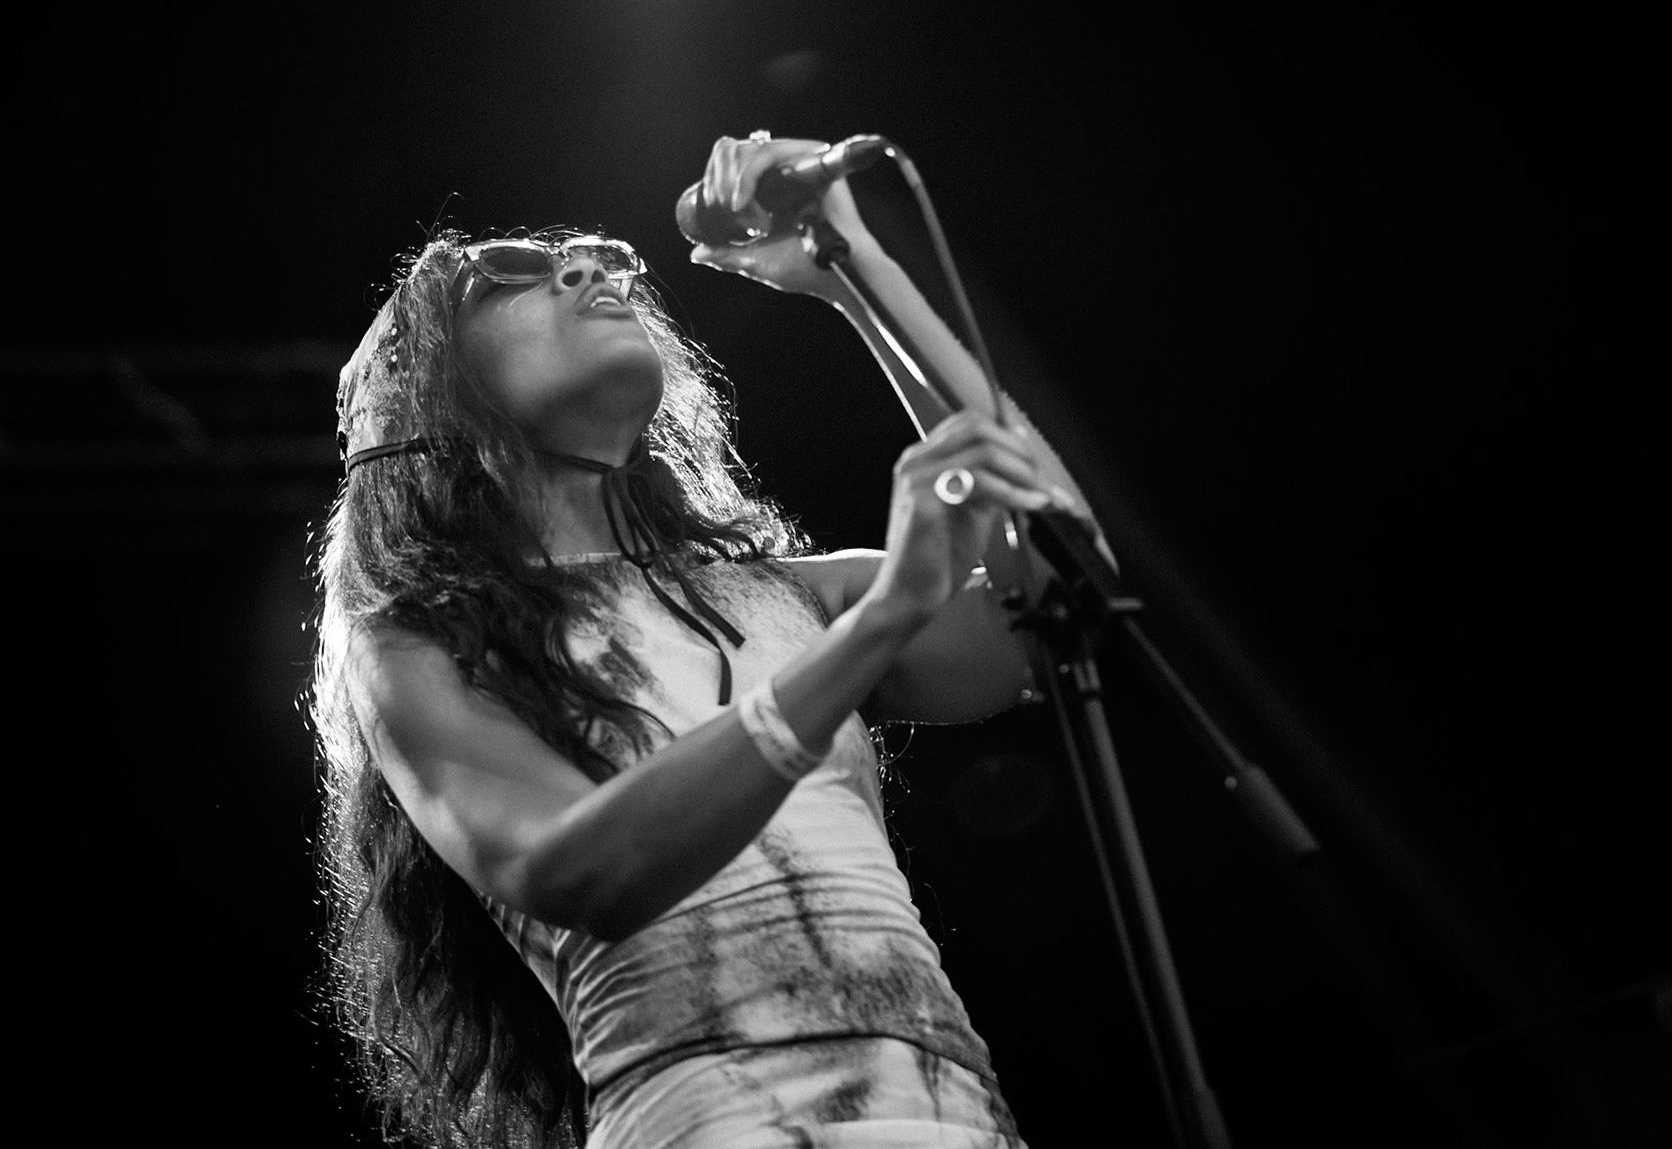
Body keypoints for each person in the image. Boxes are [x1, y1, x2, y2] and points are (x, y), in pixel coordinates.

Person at [311, 133, 1104, 1149]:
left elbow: (1065, 590)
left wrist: (857, 272)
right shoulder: (415, 646)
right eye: (500, 276)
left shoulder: (785, 597)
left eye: (606, 257)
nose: (588, 266)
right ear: (421, 397)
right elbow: (578, 873)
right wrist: (876, 626)